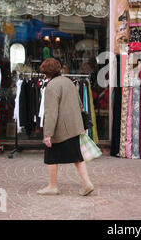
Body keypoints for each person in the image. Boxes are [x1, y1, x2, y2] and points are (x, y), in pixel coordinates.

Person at [36, 58, 94, 196]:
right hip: (74, 126)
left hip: (60, 129)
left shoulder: (51, 87)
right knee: (77, 156)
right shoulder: (68, 81)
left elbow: (51, 112)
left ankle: (52, 186)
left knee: (50, 156)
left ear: (45, 72)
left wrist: (48, 134)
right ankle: (87, 183)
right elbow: (80, 103)